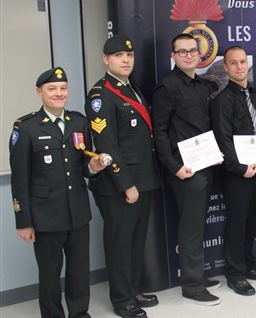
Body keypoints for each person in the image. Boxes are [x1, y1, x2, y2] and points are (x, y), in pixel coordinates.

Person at [9, 67, 106, 318]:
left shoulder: (79, 121)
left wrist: (93, 167)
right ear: (39, 92)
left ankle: (79, 313)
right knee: (50, 273)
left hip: (77, 211)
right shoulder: (26, 127)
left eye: (63, 88)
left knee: (79, 270)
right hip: (45, 216)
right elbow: (20, 179)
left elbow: (81, 165)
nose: (58, 93)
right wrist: (24, 221)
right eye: (52, 89)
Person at [85, 35, 161, 318]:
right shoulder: (101, 94)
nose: (126, 60)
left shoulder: (132, 88)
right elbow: (106, 145)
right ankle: (122, 300)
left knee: (135, 240)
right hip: (118, 184)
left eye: (129, 55)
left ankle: (133, 289)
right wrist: (126, 184)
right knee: (120, 243)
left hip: (142, 179)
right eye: (118, 56)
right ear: (106, 60)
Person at [151, 33, 221, 306]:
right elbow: (159, 132)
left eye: (193, 51)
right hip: (185, 171)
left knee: (197, 224)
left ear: (200, 54)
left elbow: (204, 128)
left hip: (205, 165)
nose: (189, 55)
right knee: (190, 227)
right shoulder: (166, 87)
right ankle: (192, 285)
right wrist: (175, 167)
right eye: (182, 52)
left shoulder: (202, 86)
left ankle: (198, 276)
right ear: (173, 56)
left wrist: (214, 154)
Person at [211, 45, 256, 296]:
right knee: (237, 224)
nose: (240, 67)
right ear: (226, 67)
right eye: (234, 63)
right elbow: (224, 140)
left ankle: (249, 266)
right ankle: (235, 274)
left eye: (242, 62)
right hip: (237, 174)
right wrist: (240, 168)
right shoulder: (221, 102)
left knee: (252, 221)